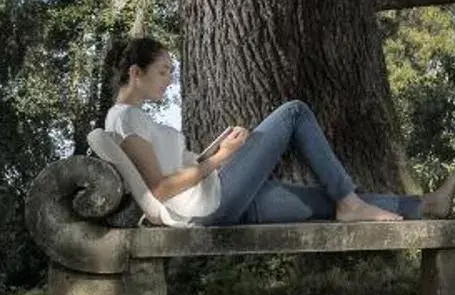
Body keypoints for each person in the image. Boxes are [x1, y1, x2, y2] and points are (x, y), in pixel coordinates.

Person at [102, 35, 425, 226]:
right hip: (207, 206)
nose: (169, 79)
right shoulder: (125, 119)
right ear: (135, 72)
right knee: (294, 113)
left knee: (328, 201)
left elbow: (171, 174)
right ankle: (351, 202)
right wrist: (220, 159)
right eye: (162, 71)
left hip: (216, 196)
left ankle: (423, 206)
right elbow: (159, 189)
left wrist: (216, 154)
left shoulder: (133, 119)